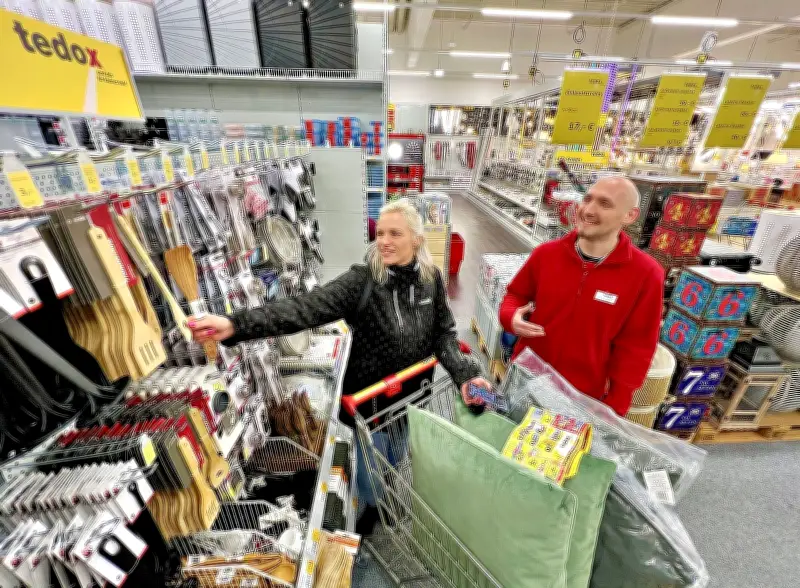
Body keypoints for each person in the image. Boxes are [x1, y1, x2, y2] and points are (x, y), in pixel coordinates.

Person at [189, 198, 490, 531]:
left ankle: (380, 503)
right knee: (366, 475)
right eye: (381, 232)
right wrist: (236, 325)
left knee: (394, 460)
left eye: (396, 234)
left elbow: (444, 336)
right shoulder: (361, 283)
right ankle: (362, 525)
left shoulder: (430, 281)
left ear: (417, 239)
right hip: (367, 407)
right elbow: (304, 308)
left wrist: (466, 374)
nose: (385, 241)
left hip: (410, 401)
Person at [499, 176, 664, 416]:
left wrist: (615, 407)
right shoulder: (546, 255)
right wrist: (510, 318)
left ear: (630, 216)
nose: (587, 210)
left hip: (582, 396)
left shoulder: (646, 275)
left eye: (604, 204)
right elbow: (515, 295)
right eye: (587, 199)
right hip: (526, 378)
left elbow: (637, 347)